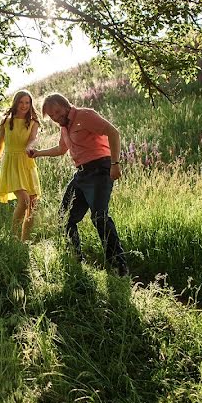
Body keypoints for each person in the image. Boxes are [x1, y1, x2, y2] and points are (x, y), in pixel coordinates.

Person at [28, 92, 129, 276]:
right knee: (64, 218)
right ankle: (76, 260)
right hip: (81, 174)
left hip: (100, 169)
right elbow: (61, 149)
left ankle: (118, 267)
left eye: (58, 112)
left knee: (99, 217)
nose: (56, 118)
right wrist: (37, 153)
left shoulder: (85, 115)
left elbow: (113, 132)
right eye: (52, 116)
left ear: (66, 106)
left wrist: (115, 164)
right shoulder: (64, 127)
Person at [0, 90, 42, 241]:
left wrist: (29, 147)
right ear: (15, 103)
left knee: (33, 204)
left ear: (30, 104)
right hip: (11, 164)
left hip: (27, 163)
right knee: (24, 200)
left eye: (27, 103)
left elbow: (33, 139)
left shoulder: (34, 122)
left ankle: (25, 241)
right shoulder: (6, 122)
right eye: (21, 102)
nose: (24, 106)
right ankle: (13, 238)